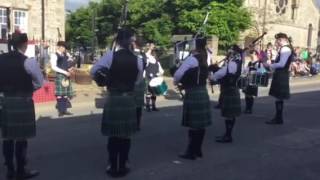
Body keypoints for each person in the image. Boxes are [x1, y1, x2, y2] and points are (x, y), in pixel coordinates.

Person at [91, 28, 143, 177]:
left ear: (118, 41)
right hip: (128, 99)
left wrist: (104, 79)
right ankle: (124, 164)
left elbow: (93, 71)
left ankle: (113, 166)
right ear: (130, 42)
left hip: (114, 97)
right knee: (125, 135)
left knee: (113, 136)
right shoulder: (137, 59)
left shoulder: (110, 56)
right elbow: (138, 80)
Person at [0, 31, 43, 179]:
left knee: (7, 137)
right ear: (24, 44)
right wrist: (28, 89)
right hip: (22, 101)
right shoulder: (28, 61)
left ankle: (10, 171)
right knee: (21, 137)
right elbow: (39, 82)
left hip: (5, 101)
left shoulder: (1, 59)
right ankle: (21, 170)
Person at [174, 38, 212, 160]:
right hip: (202, 91)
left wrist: (176, 82)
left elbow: (178, 74)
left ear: (195, 46)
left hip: (193, 92)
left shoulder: (191, 59)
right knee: (200, 125)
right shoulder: (206, 57)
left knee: (193, 125)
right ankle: (198, 149)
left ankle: (191, 152)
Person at [210, 45, 242, 143]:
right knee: (230, 115)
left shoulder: (232, 63)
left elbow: (222, 73)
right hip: (232, 89)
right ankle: (227, 135)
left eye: (230, 51)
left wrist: (213, 76)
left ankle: (228, 136)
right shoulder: (237, 62)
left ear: (233, 53)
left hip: (229, 90)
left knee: (229, 114)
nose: (228, 53)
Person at [263, 33, 294, 125]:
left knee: (279, 97)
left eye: (278, 40)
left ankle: (278, 118)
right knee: (278, 98)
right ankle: (278, 118)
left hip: (281, 74)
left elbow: (281, 64)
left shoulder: (285, 49)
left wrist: (270, 65)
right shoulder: (285, 48)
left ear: (282, 39)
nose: (277, 42)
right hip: (281, 74)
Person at [50, 41, 75, 117]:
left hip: (66, 75)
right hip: (60, 76)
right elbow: (53, 67)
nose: (64, 49)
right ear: (58, 47)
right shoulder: (54, 55)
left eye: (65, 47)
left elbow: (70, 62)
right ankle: (61, 111)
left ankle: (65, 110)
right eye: (63, 47)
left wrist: (70, 68)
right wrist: (65, 72)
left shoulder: (66, 54)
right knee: (60, 94)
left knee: (65, 95)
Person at [243, 44, 267, 114]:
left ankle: (249, 109)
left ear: (255, 55)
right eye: (251, 54)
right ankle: (247, 107)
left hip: (253, 79)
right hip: (248, 79)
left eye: (252, 54)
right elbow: (246, 70)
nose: (251, 55)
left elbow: (262, 71)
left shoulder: (258, 63)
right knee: (246, 94)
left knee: (250, 94)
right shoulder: (250, 62)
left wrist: (256, 71)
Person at [145, 43, 164, 111]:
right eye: (155, 52)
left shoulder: (157, 61)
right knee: (148, 92)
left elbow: (161, 70)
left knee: (154, 93)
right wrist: (150, 48)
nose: (156, 54)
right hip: (148, 78)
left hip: (155, 78)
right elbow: (147, 55)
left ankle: (153, 106)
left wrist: (160, 74)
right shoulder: (148, 58)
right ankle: (147, 106)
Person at [132, 38, 147, 130]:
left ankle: (132, 123)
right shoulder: (144, 55)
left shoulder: (133, 54)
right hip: (141, 81)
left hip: (134, 81)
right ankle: (138, 124)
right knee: (138, 105)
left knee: (132, 104)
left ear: (134, 44)